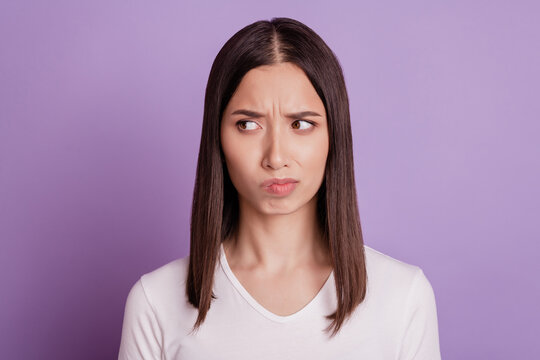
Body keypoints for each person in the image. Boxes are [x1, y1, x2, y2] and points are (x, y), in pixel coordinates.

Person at [118, 17, 441, 359]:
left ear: (334, 136)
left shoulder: (403, 297)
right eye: (248, 124)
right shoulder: (156, 302)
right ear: (217, 137)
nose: (276, 156)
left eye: (301, 124)